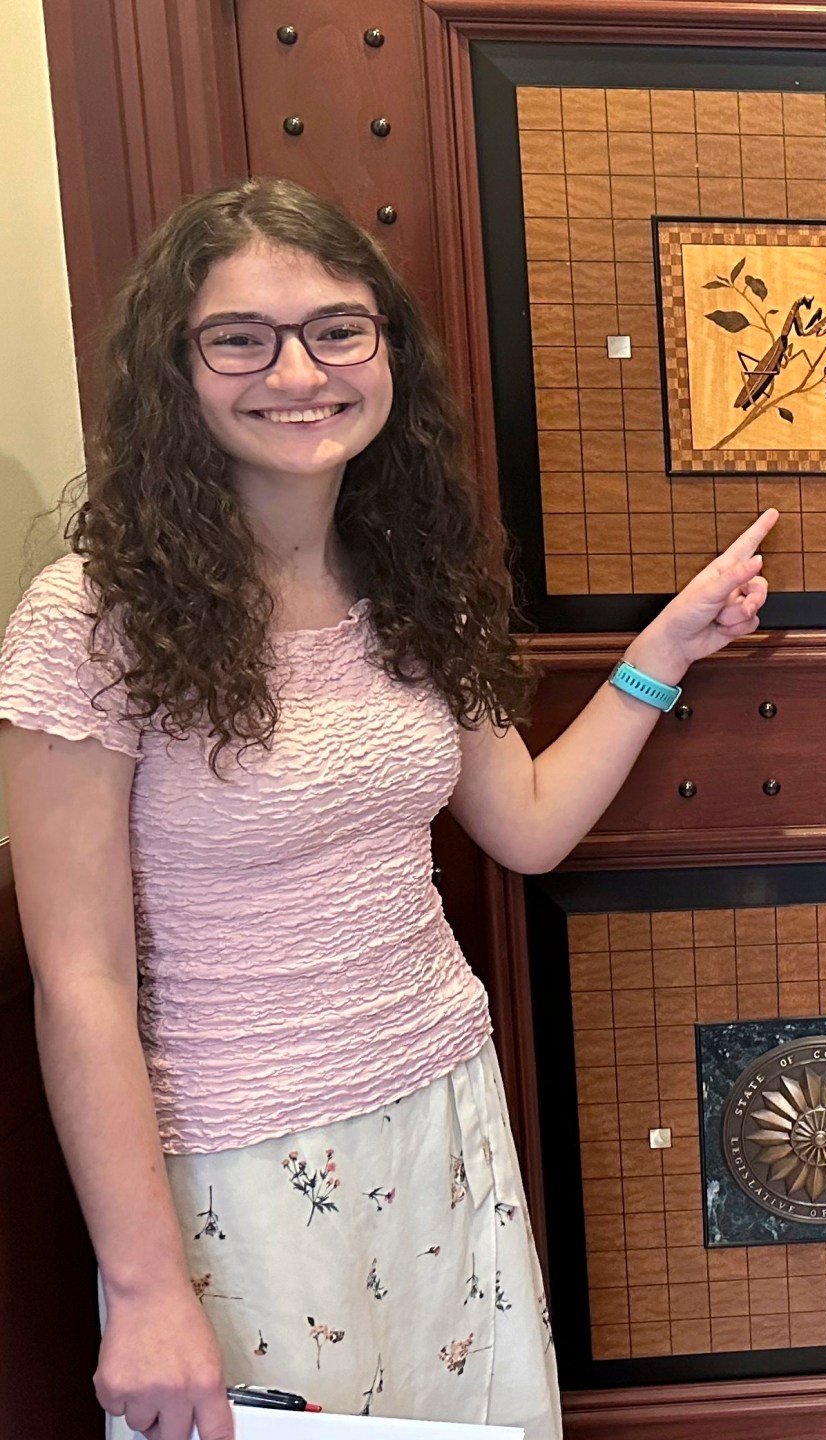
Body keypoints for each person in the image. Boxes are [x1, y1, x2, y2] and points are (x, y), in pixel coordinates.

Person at [0, 177, 779, 1440]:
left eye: (337, 329)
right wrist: (143, 1289)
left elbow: (523, 823)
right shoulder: (92, 622)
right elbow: (78, 978)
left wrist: (666, 650)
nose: (297, 372)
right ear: (175, 368)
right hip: (236, 1168)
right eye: (240, 338)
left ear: (386, 352)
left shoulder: (414, 584)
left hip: (439, 1117)